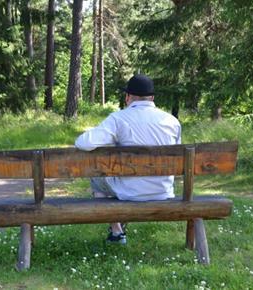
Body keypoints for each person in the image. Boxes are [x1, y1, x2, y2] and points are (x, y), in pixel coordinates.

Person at [75, 74, 181, 244]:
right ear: (152, 98)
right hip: (163, 191)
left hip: (130, 192)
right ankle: (118, 227)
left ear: (128, 97)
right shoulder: (172, 121)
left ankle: (116, 231)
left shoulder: (118, 119)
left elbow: (83, 143)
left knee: (97, 178)